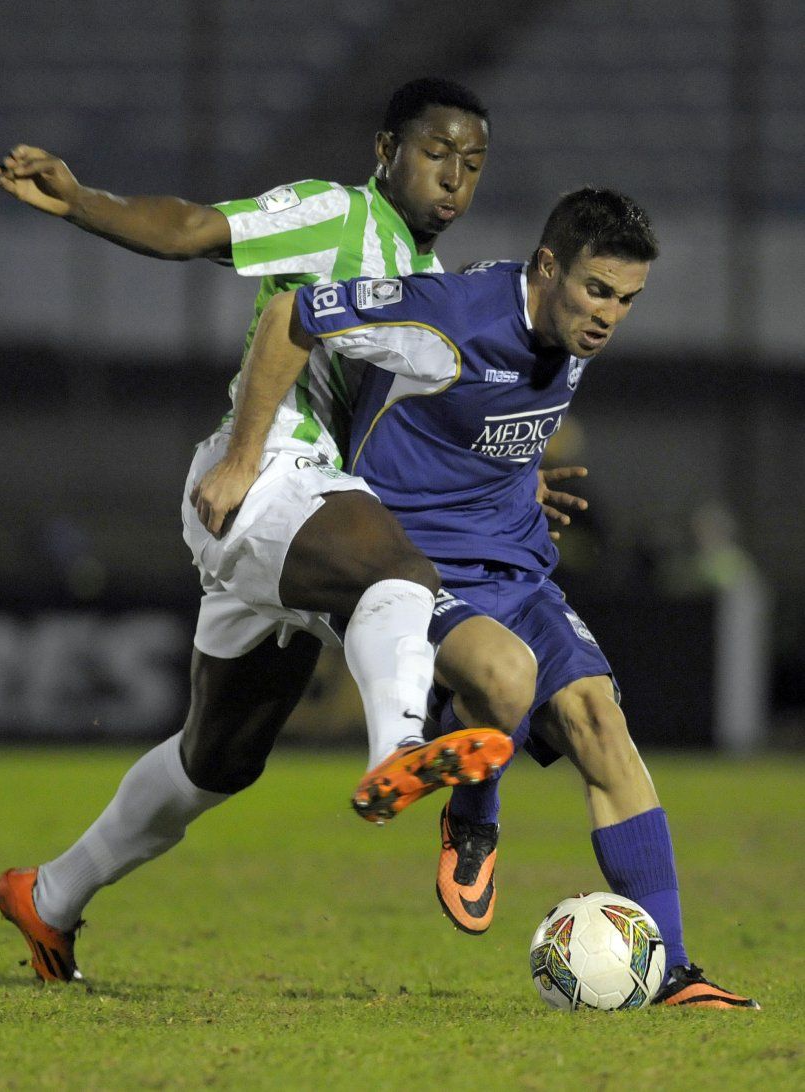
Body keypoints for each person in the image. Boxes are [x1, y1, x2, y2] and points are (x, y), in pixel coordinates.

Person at [0, 78, 590, 983]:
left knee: (217, 760)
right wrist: (83, 204)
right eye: (435, 154)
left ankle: (48, 897)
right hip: (267, 478)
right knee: (401, 574)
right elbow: (193, 228)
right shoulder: (334, 213)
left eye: (471, 165)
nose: (453, 179)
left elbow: (422, 433)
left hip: (308, 514)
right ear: (386, 150)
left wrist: (505, 484)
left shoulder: (426, 286)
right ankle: (398, 752)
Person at [209, 187, 758, 1009]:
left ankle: (673, 970)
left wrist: (514, 477)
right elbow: (294, 313)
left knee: (599, 720)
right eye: (596, 290)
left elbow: (476, 423)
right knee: (502, 678)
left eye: (627, 299)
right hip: (411, 568)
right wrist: (242, 458)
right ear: (547, 267)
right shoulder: (448, 317)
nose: (609, 315)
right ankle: (473, 813)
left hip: (516, 564)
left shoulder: (569, 334)